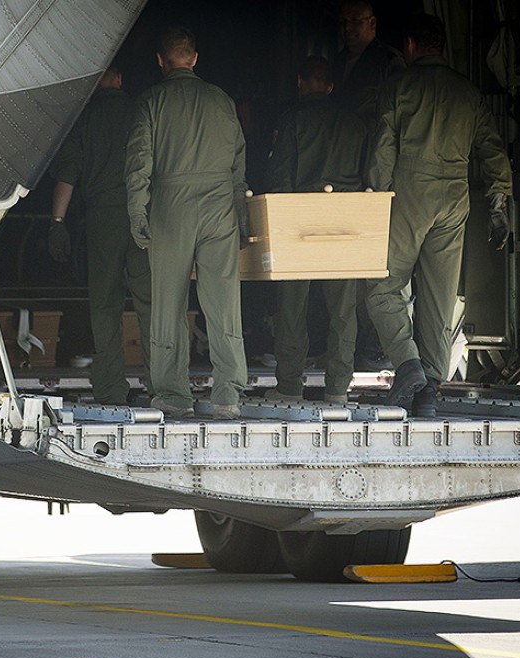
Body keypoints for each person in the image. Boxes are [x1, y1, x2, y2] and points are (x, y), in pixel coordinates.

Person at [365, 13, 512, 416]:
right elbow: (492, 149)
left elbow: (382, 147)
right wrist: (499, 199)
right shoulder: (467, 93)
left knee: (381, 284)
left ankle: (408, 365)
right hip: (456, 195)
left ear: (411, 46)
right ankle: (428, 391)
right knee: (438, 298)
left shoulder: (399, 86)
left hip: (410, 193)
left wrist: (375, 196)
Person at [125, 25, 248, 420]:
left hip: (171, 207)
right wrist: (240, 216)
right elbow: (238, 163)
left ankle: (173, 395)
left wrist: (137, 210)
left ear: (161, 61)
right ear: (194, 59)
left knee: (168, 302)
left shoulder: (152, 101)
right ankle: (228, 392)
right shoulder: (222, 100)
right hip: (218, 206)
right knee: (223, 302)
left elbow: (139, 161)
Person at [265, 56, 367, 403]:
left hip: (300, 221)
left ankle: (290, 385)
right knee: (343, 310)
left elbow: (279, 178)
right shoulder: (356, 124)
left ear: (299, 83)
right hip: (346, 221)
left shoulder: (292, 122)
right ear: (330, 86)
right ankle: (339, 388)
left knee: (292, 308)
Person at [49, 64, 152, 405]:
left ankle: (110, 388)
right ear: (120, 78)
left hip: (102, 220)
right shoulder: (140, 110)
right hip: (142, 215)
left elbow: (68, 173)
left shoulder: (85, 118)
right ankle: (160, 385)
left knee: (105, 304)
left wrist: (58, 221)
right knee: (150, 302)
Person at [332, 0, 406, 372]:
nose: (349, 28)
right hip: (345, 167)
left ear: (373, 24)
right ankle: (355, 341)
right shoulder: (337, 61)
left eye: (356, 21)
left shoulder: (388, 62)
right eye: (344, 22)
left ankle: (375, 344)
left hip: (375, 169)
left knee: (378, 263)